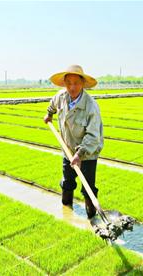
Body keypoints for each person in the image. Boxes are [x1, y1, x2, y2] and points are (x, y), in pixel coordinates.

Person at [43, 64, 104, 219]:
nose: (72, 87)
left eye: (76, 83)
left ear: (83, 83)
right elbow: (53, 104)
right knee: (67, 181)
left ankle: (92, 216)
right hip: (68, 149)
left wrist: (80, 154)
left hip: (87, 152)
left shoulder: (91, 106)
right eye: (68, 83)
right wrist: (49, 114)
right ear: (64, 83)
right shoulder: (61, 96)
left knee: (88, 187)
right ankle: (66, 209)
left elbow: (93, 136)